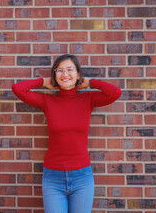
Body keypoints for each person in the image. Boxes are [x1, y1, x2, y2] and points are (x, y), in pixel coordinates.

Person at [12, 54, 122, 213]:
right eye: (60, 70)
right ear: (54, 75)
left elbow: (115, 92)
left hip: (82, 178)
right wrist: (44, 82)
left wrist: (90, 82)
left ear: (78, 74)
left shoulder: (88, 99)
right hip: (53, 178)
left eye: (70, 70)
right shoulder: (47, 101)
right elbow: (18, 89)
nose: (65, 74)